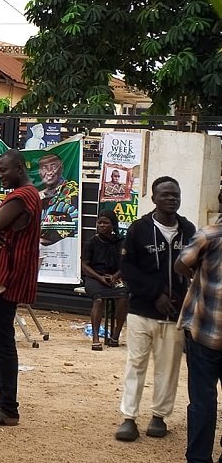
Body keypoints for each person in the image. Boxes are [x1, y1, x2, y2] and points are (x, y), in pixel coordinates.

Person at [115, 176, 195, 442]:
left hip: (174, 314)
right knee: (135, 364)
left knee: (168, 367)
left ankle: (159, 416)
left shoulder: (188, 229)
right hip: (141, 311)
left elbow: (194, 267)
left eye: (176, 195)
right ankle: (129, 418)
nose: (172, 199)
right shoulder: (138, 229)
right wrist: (155, 293)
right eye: (166, 195)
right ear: (154, 199)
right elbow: (127, 269)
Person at [0, 149, 41, 427]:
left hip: (4, 276)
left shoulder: (22, 197)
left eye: (4, 170)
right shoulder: (24, 195)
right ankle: (2, 399)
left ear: (20, 169)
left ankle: (9, 408)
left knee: (2, 341)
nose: (0, 175)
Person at [175, 190, 222, 462]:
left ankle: (199, 458)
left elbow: (181, 264)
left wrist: (199, 272)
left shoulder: (209, 234)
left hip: (205, 333)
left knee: (203, 401)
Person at [81, 210, 127, 351]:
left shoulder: (121, 242)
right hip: (95, 278)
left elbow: (126, 263)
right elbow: (84, 265)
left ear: (113, 225)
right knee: (99, 300)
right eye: (99, 222)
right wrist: (100, 277)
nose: (102, 225)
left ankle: (115, 336)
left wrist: (115, 276)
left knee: (123, 297)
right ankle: (95, 338)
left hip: (115, 277)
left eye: (106, 223)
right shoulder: (91, 243)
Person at [38, 153, 79, 246]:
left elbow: (74, 223)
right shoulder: (37, 195)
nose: (49, 172)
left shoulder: (72, 191)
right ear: (39, 171)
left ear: (61, 168)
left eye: (54, 166)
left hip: (64, 250)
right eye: (44, 167)